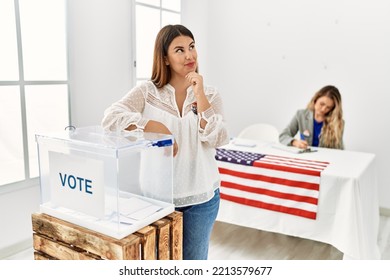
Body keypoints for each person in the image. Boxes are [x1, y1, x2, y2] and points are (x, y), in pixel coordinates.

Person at [101, 24, 229, 260]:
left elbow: (218, 138)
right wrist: (152, 126)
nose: (189, 55)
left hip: (202, 198)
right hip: (157, 199)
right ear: (165, 58)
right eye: (179, 50)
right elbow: (110, 119)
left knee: (193, 262)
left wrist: (199, 94)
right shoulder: (148, 92)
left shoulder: (210, 94)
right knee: (159, 262)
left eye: (191, 47)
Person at [279, 85, 344, 149]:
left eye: (328, 107)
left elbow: (338, 149)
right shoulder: (300, 115)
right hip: (305, 155)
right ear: (315, 100)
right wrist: (294, 142)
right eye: (322, 104)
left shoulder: (337, 122)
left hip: (325, 157)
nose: (323, 109)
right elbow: (283, 136)